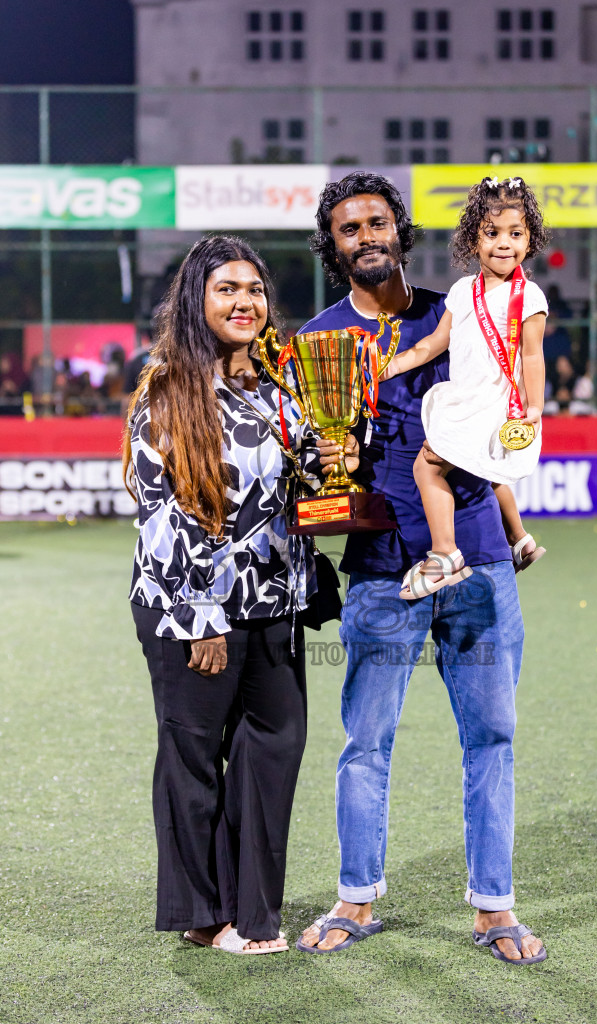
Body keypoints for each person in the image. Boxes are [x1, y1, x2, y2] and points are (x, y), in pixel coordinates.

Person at [295, 171, 547, 964]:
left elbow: (496, 414)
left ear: (400, 231)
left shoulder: (463, 306)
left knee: (492, 736)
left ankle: (493, 909)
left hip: (474, 557)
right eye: (347, 228)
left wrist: (512, 525)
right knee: (365, 740)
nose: (365, 236)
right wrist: (320, 470)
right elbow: (311, 467)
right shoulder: (317, 342)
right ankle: (355, 897)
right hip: (377, 567)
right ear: (332, 249)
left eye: (376, 222)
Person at [122, 235, 354, 955]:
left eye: (253, 289)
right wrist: (200, 619)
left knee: (271, 756)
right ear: (196, 300)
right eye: (226, 289)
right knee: (193, 762)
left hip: (275, 608)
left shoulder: (279, 387)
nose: (244, 301)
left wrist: (336, 457)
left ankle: (253, 916)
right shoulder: (166, 390)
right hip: (190, 611)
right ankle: (200, 911)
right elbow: (165, 516)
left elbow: (307, 485)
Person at [381, 177, 549, 599]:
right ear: (473, 239)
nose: (504, 244)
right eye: (492, 234)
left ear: (530, 238)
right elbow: (435, 343)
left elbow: (531, 355)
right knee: (486, 472)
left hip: (494, 404)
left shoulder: (528, 296)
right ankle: (521, 539)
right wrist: (395, 363)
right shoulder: (462, 292)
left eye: (515, 233)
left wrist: (535, 406)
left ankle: (444, 555)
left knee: (427, 466)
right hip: (465, 398)